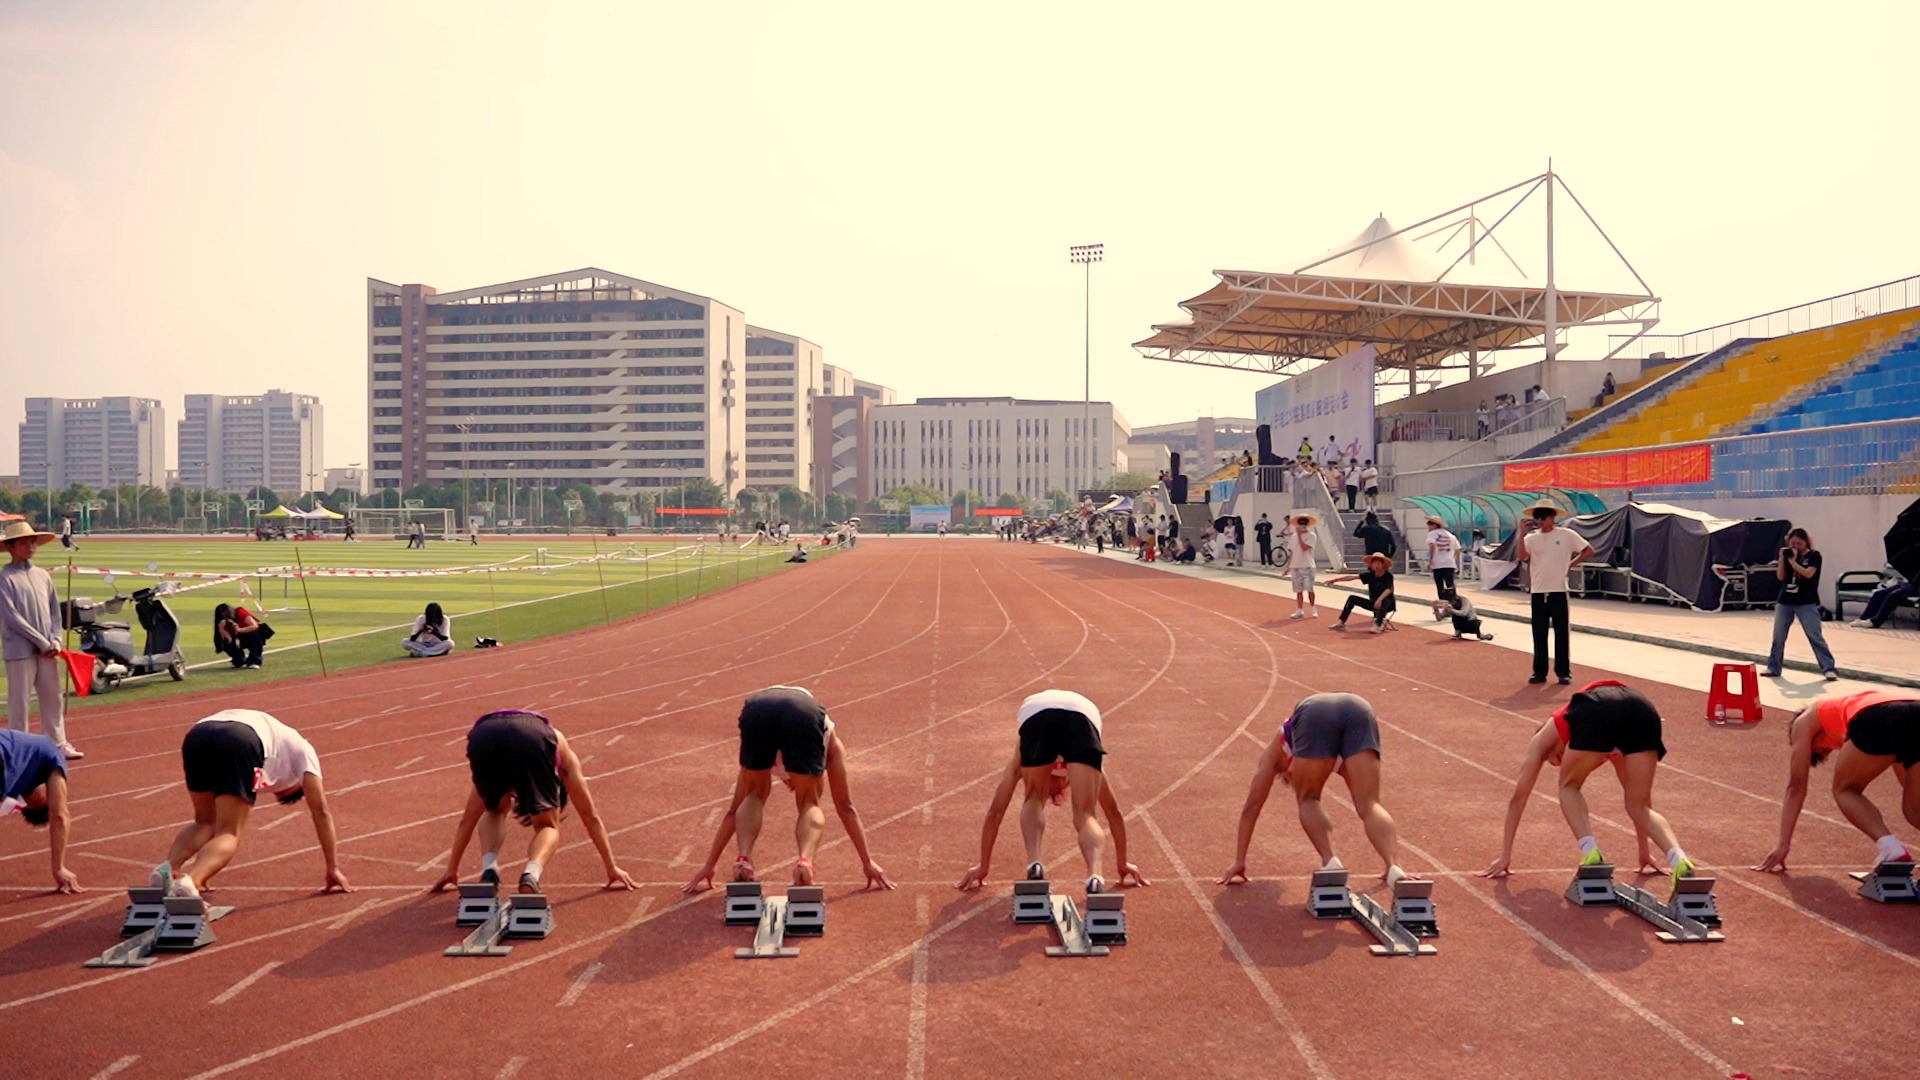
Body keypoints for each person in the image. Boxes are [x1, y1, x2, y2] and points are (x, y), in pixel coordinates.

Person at [682, 686, 894, 892]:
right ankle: (805, 861)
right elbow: (845, 806)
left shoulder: (768, 763)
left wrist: (709, 865)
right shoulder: (831, 742)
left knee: (755, 794)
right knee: (809, 802)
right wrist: (867, 862)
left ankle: (743, 858)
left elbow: (733, 811)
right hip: (803, 714)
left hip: (758, 709)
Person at [956, 689, 1147, 896]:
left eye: (1051, 793)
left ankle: (1034, 863)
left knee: (1033, 799)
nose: (1051, 792)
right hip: (1081, 718)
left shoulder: (1020, 760)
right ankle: (1095, 876)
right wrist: (1122, 861)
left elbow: (996, 812)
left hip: (1038, 715)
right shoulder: (1093, 772)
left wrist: (983, 866)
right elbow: (1113, 812)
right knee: (1086, 815)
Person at [150, 708, 353, 898]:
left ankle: (167, 870)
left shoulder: (280, 741)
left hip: (199, 734)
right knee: (229, 831)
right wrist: (332, 866)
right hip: (241, 739)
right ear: (298, 784)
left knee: (204, 821)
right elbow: (321, 811)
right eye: (283, 794)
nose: (275, 790)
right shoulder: (304, 753)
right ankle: (191, 883)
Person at [431, 709, 634, 896]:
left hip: (484, 735)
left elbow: (467, 820)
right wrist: (611, 866)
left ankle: (489, 868)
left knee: (494, 810)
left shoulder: (533, 750)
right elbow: (590, 816)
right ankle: (531, 875)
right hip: (531, 738)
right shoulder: (562, 755)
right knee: (547, 825)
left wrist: (452, 869)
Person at [1219, 692, 1410, 887]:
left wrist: (1239, 861)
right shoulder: (1322, 759)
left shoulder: (1273, 757)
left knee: (1308, 798)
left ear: (1286, 771)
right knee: (1369, 804)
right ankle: (1394, 867)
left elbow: (1251, 807)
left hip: (1314, 712)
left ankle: (1330, 861)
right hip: (1359, 707)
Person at [1476, 681, 1661, 880]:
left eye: (1557, 758)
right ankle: (1595, 851)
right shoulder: (1584, 744)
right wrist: (1644, 851)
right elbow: (1518, 798)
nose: (1562, 761)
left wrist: (1505, 855)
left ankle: (1590, 851)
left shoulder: (1553, 737)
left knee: (1573, 788)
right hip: (1627, 708)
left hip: (1611, 710)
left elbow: (1517, 799)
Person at [1755, 689, 1919, 873]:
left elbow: (1795, 787)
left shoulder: (1804, 721)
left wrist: (1783, 844)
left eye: (1818, 750)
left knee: (1846, 789)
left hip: (1878, 715)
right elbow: (1902, 767)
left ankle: (1890, 847)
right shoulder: (1848, 705)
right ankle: (1892, 848)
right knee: (1915, 810)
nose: (1826, 750)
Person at [1, 521, 81, 759]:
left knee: (53, 698)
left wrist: (55, 640)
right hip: (20, 650)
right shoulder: (4, 578)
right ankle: (19, 749)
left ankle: (58, 744)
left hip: (47, 649)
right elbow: (12, 617)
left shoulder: (41, 575)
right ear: (11, 547)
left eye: (32, 542)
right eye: (23, 543)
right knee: (20, 702)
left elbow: (54, 612)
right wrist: (41, 641)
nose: (29, 547)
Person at [1518, 501, 1592, 686]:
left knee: (1561, 633)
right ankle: (1539, 671)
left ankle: (1563, 672)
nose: (1540, 521)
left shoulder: (1566, 535)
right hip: (1538, 591)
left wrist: (1571, 564)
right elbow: (1522, 556)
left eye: (1544, 517)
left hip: (1558, 590)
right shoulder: (1531, 538)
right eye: (1538, 517)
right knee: (1539, 633)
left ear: (1552, 517)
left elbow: (1588, 550)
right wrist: (1522, 533)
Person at [0, 728, 82, 892]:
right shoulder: (52, 753)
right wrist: (58, 868)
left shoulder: (13, 787)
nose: (28, 800)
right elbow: (59, 815)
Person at [1765, 527, 1837, 681]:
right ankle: (1773, 666)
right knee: (1778, 635)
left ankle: (1828, 668)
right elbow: (1780, 576)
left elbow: (1808, 574)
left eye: (1799, 543)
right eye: (1792, 543)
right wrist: (1783, 559)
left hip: (1806, 601)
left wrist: (1793, 562)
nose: (1796, 546)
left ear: (1806, 542)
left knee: (1814, 635)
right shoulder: (1788, 555)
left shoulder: (1814, 556)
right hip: (1785, 601)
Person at [1327, 552, 1396, 633]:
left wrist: (1379, 599)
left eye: (1378, 563)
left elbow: (1389, 589)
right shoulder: (1371, 575)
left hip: (1387, 604)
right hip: (1373, 602)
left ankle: (1378, 624)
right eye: (1374, 563)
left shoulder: (1388, 576)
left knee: (1385, 601)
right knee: (1352, 598)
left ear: (1383, 564)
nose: (1376, 565)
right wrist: (1334, 580)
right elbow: (1352, 577)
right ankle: (1341, 621)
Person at [218, 603, 272, 669]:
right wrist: (223, 630)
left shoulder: (240, 612)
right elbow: (228, 640)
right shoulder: (222, 624)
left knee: (255, 634)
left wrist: (239, 630)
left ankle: (254, 661)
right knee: (226, 644)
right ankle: (239, 660)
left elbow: (254, 626)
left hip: (250, 635)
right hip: (237, 638)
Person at [1286, 511, 1318, 620]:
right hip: (1296, 565)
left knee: (1310, 588)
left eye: (1304, 523)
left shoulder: (1311, 536)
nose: (1302, 525)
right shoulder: (1293, 536)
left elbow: (1305, 548)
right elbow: (1292, 552)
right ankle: (1300, 609)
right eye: (1301, 523)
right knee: (1298, 590)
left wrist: (1300, 536)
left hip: (1308, 565)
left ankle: (1313, 608)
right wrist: (1288, 566)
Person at [1430, 592, 1495, 641]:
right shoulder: (1449, 605)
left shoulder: (1465, 601)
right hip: (1461, 625)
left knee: (1460, 615)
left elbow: (1464, 613)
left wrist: (1451, 610)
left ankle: (1481, 635)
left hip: (1471, 622)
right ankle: (1458, 632)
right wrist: (1436, 609)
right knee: (1455, 617)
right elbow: (1439, 618)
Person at [1425, 515, 1461, 598]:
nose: (1429, 526)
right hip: (1449, 563)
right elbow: (1458, 549)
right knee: (1450, 584)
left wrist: (1431, 560)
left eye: (1430, 524)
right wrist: (1455, 560)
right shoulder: (1451, 535)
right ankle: (1453, 601)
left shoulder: (1432, 534)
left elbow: (1432, 546)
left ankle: (1442, 600)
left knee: (1439, 584)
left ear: (1434, 525)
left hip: (1437, 563)